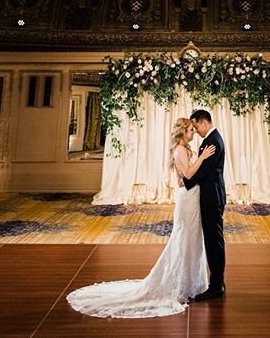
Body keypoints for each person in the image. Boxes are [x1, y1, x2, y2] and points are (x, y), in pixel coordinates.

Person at [66, 117, 216, 318]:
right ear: (182, 132)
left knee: (192, 239)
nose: (193, 133)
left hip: (190, 196)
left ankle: (190, 283)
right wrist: (203, 157)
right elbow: (188, 174)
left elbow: (184, 177)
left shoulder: (184, 148)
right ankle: (180, 283)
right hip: (187, 199)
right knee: (185, 237)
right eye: (190, 130)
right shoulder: (180, 150)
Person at [184, 109, 226, 300]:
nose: (195, 130)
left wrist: (186, 181)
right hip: (209, 196)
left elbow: (205, 171)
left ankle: (217, 285)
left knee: (214, 241)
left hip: (212, 198)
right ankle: (217, 282)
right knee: (212, 240)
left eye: (195, 126)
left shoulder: (213, 141)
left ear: (203, 122)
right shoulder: (210, 140)